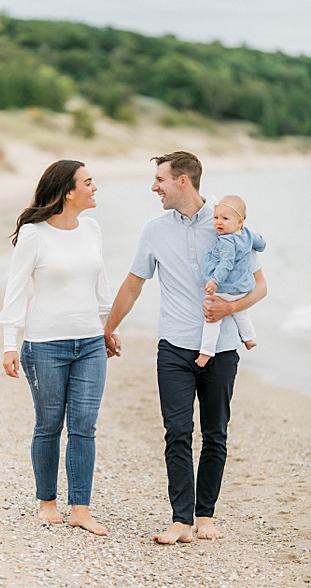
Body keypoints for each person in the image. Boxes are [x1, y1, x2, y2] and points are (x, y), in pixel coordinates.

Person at [104, 151, 267, 544]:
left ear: (183, 181)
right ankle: (180, 520)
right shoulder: (154, 230)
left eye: (159, 179)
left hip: (223, 348)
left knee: (215, 434)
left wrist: (231, 306)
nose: (153, 187)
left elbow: (260, 287)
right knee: (177, 432)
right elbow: (132, 284)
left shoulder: (228, 221)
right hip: (174, 347)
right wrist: (107, 328)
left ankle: (205, 515)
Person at [0, 160, 112, 536]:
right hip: (45, 345)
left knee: (84, 427)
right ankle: (46, 503)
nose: (95, 188)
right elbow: (16, 290)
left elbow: (100, 285)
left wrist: (107, 328)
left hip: (91, 344)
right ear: (68, 191)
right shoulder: (34, 234)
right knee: (49, 425)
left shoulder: (92, 228)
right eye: (89, 183)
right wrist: (8, 344)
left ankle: (80, 509)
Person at [197, 194, 265, 367]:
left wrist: (214, 281)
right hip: (242, 287)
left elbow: (225, 265)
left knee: (212, 319)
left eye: (225, 218)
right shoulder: (248, 235)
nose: (219, 222)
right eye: (216, 217)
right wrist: (258, 244)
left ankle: (206, 353)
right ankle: (249, 338)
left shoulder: (227, 241)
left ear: (239, 221)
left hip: (227, 286)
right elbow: (261, 244)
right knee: (241, 313)